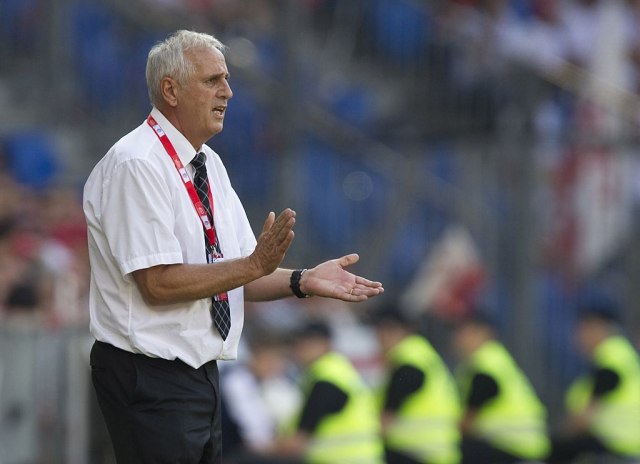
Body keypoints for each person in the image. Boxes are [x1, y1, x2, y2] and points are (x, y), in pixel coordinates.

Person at [82, 29, 384, 464]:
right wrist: (253, 265)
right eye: (212, 80)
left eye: (226, 79)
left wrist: (303, 280)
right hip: (147, 375)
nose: (228, 91)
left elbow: (238, 272)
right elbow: (158, 284)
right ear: (170, 90)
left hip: (199, 375)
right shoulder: (137, 164)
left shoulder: (210, 164)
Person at [270, 320, 385, 464]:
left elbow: (298, 442)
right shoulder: (338, 371)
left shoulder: (326, 381)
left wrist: (257, 448)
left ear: (325, 344)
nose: (297, 350)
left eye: (304, 345)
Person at [452, 313, 550, 464]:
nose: (457, 339)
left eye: (464, 332)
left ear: (484, 333)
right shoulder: (494, 360)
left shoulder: (485, 368)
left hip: (513, 450)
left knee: (455, 450)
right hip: (523, 447)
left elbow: (466, 423)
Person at [549, 300, 640, 463]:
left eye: (582, 329)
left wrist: (560, 435)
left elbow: (584, 417)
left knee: (554, 449)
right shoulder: (619, 354)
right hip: (623, 443)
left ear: (597, 328)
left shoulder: (611, 359)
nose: (577, 336)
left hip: (616, 444)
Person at [370, 306, 461, 464]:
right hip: (439, 453)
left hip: (414, 452)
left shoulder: (409, 363)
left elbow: (385, 421)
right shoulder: (422, 354)